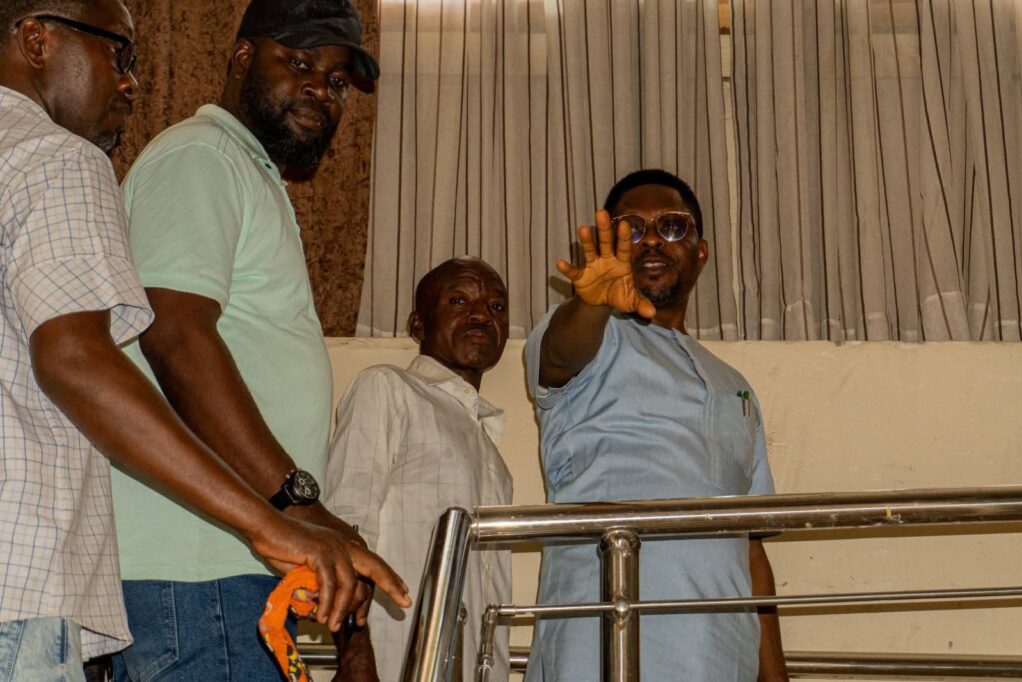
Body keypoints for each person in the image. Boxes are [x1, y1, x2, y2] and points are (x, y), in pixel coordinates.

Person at [0, 1, 406, 679]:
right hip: (193, 574)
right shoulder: (173, 155)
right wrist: (286, 510)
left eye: (337, 81)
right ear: (36, 39)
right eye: (117, 52)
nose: (130, 81)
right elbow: (158, 340)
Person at [524, 169, 787, 681]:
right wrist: (591, 304)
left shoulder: (735, 385)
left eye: (671, 226)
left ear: (700, 251)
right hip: (601, 644)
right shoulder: (591, 334)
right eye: (631, 228)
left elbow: (750, 542)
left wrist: (775, 677)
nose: (650, 240)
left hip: (719, 658)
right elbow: (557, 356)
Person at [324, 257, 514, 682]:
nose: (481, 314)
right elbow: (347, 524)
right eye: (459, 301)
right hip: (395, 662)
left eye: (496, 307)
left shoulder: (489, 450)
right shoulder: (387, 387)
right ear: (418, 324)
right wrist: (355, 658)